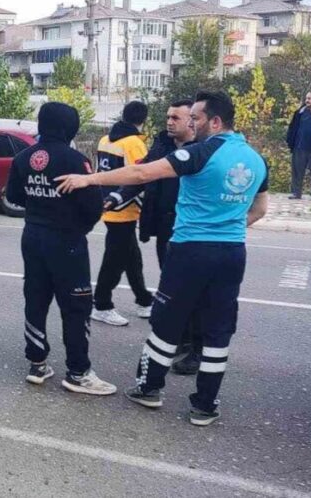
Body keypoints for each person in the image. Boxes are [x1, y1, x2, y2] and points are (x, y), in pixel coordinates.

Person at [56, 91, 269, 426]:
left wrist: (90, 178)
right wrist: (227, 227)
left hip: (190, 251)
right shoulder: (256, 159)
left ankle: (149, 388)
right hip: (231, 252)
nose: (191, 123)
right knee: (217, 330)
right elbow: (260, 209)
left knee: (166, 320)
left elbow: (141, 175)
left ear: (215, 121)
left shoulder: (200, 152)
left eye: (196, 118)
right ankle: (205, 405)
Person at [5, 102, 115, 396]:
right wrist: (77, 226)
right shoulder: (76, 161)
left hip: (33, 236)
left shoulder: (24, 157)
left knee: (36, 298)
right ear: (71, 127)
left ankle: (37, 363)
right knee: (76, 306)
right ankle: (78, 372)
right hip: (67, 241)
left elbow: (14, 195)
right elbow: (93, 206)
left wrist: (40, 204)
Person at [110, 100, 200, 374]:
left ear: (192, 122)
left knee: (193, 291)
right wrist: (117, 195)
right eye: (168, 117)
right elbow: (141, 173)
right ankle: (182, 339)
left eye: (176, 117)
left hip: (194, 232)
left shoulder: (206, 150)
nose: (169, 121)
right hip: (165, 228)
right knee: (171, 287)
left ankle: (197, 349)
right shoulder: (162, 144)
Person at [91, 100, 153, 326]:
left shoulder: (105, 139)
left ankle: (144, 300)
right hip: (124, 208)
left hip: (107, 204)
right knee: (115, 261)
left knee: (131, 258)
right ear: (143, 119)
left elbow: (102, 172)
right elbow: (140, 177)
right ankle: (101, 304)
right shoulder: (134, 144)